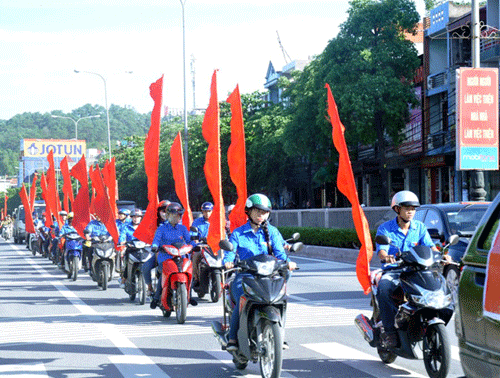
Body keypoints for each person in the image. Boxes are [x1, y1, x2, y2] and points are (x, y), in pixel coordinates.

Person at [222, 193, 297, 351]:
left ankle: (279, 335)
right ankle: (233, 338)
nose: (261, 215)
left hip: (268, 276)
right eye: (257, 211)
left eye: (264, 212)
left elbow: (280, 253)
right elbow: (230, 251)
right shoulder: (238, 233)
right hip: (245, 276)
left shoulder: (273, 232)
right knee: (242, 299)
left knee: (280, 299)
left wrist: (287, 263)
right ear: (248, 211)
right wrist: (227, 262)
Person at [375, 190, 446, 348]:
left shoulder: (419, 227)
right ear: (397, 209)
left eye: (413, 208)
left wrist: (442, 256)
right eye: (407, 208)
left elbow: (430, 247)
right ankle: (389, 332)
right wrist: (386, 256)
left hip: (416, 271)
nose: (411, 212)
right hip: (394, 271)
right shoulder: (385, 229)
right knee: (384, 289)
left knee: (437, 286)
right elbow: (381, 250)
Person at [150, 202, 197, 309]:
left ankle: (189, 295)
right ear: (168, 215)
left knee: (190, 272)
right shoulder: (161, 229)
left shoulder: (183, 228)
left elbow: (189, 240)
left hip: (181, 257)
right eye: (175, 215)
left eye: (179, 215)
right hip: (166, 257)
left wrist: (195, 245)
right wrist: (155, 246)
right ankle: (157, 297)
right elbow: (156, 240)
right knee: (163, 275)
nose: (177, 217)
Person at [142, 199, 170, 297]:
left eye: (167, 210)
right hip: (159, 252)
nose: (165, 213)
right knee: (145, 267)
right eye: (163, 210)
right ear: (158, 212)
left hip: (174, 253)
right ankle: (150, 287)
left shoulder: (177, 223)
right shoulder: (154, 223)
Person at [118, 209, 143, 285]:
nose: (136, 219)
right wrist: (122, 241)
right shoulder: (126, 227)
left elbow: (149, 235)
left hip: (142, 248)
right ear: (131, 218)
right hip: (131, 248)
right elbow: (122, 235)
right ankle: (124, 278)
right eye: (134, 217)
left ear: (140, 218)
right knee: (127, 261)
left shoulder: (144, 226)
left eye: (138, 217)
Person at [191, 202, 213, 288]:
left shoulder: (217, 221)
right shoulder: (197, 222)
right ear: (202, 212)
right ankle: (196, 278)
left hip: (213, 248)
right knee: (196, 255)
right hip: (202, 247)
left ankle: (224, 279)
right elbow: (193, 235)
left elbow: (223, 235)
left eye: (209, 211)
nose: (207, 213)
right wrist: (196, 244)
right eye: (205, 211)